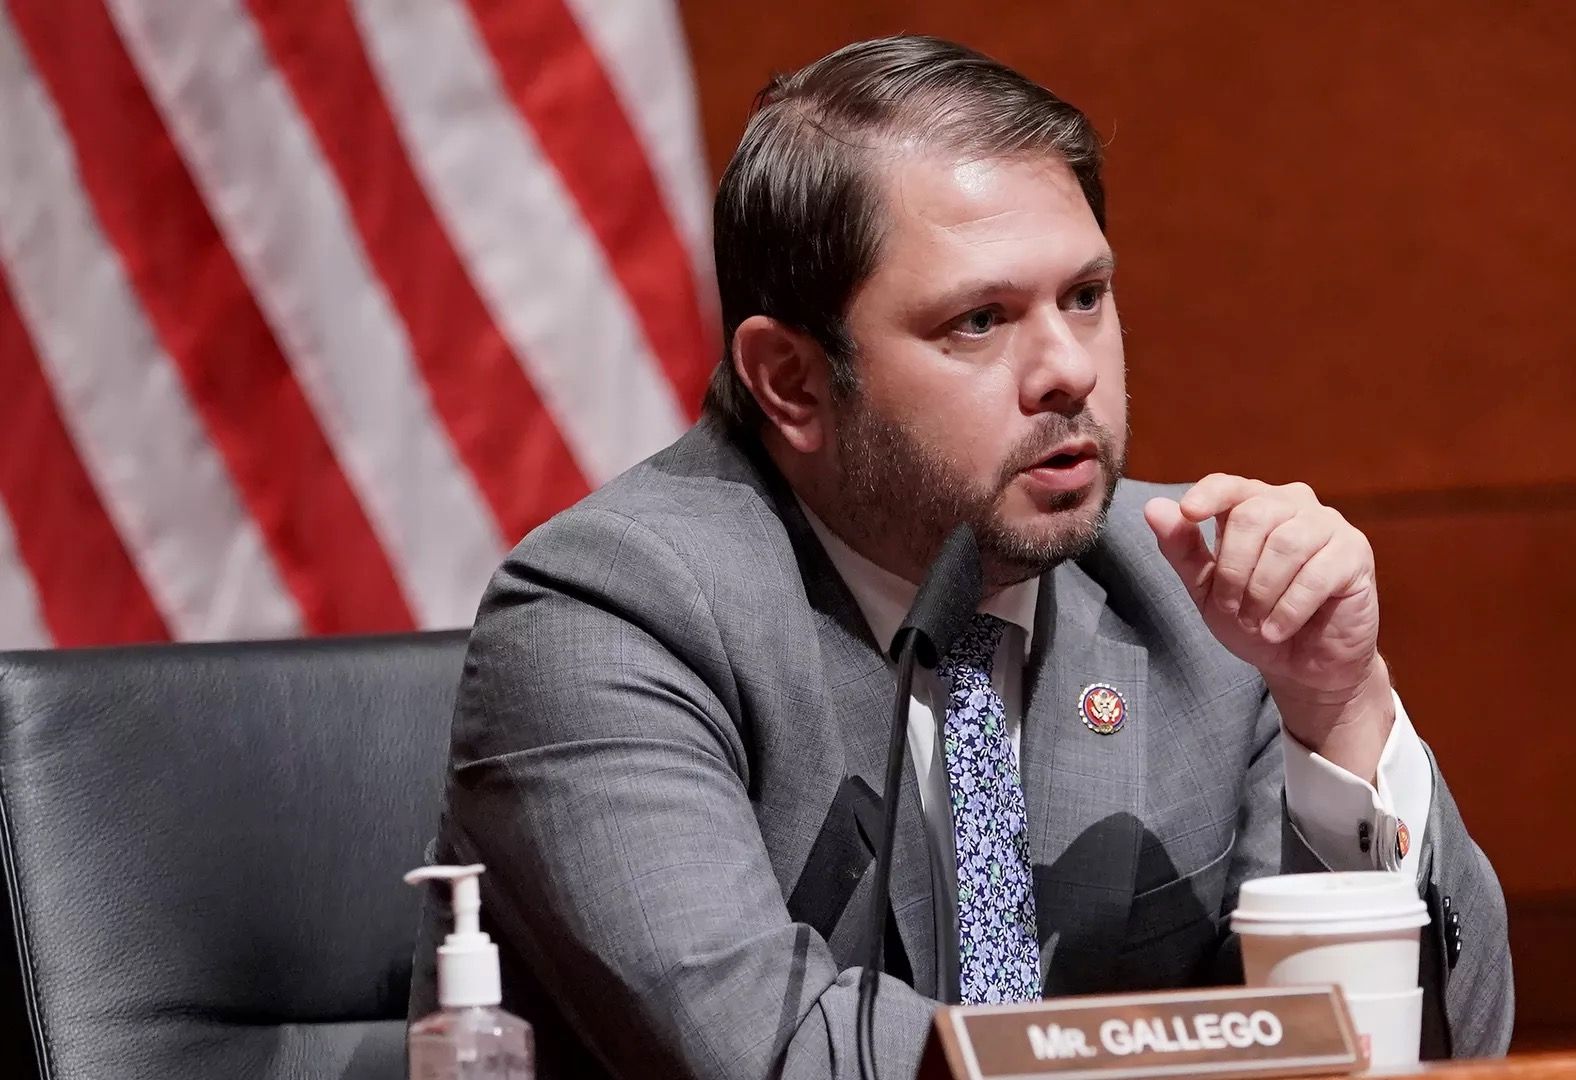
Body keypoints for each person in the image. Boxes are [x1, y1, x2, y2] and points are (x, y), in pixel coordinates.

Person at [411, 34, 1514, 1080]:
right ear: (793, 382)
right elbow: (776, 1057)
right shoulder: (610, 617)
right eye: (979, 321)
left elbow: (1442, 1047)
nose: (1066, 370)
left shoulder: (1199, 593)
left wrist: (1344, 708)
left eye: (1086, 296)